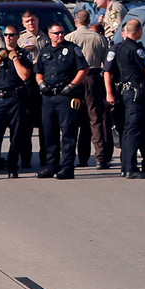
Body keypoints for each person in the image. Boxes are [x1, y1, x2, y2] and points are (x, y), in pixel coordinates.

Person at [105, 19, 145, 179]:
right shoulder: (136, 49)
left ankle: (127, 166)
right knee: (133, 131)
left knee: (130, 130)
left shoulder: (117, 48)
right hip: (135, 94)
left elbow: (108, 71)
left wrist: (109, 93)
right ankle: (130, 168)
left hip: (124, 93)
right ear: (138, 32)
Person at [35, 22, 87, 179]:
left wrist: (72, 85)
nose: (59, 35)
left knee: (68, 133)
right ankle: (52, 166)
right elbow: (38, 71)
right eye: (56, 33)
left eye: (61, 32)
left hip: (66, 96)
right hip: (49, 97)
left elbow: (83, 69)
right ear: (49, 35)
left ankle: (67, 168)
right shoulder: (44, 52)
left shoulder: (72, 49)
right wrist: (41, 84)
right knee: (49, 133)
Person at [66, 9, 112, 168]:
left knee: (74, 120)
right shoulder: (99, 39)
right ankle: (100, 157)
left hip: (75, 79)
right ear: (88, 20)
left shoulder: (70, 38)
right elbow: (106, 64)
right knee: (95, 119)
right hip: (93, 78)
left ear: (76, 21)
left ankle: (78, 158)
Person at [0, 26, 31, 180]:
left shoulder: (24, 55)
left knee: (16, 136)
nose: (9, 38)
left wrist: (14, 58)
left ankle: (12, 168)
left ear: (18, 36)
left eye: (12, 35)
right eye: (6, 35)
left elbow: (25, 76)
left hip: (16, 99)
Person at [15, 10, 50, 168]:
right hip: (27, 84)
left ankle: (45, 158)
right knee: (26, 124)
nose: (30, 23)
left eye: (33, 20)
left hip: (43, 84)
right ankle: (26, 159)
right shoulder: (20, 39)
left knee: (45, 123)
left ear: (38, 20)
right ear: (23, 24)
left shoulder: (46, 38)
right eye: (27, 21)